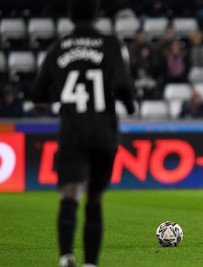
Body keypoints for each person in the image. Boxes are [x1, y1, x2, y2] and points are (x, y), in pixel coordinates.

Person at [30, 0, 136, 266]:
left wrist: (62, 92)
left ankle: (66, 256)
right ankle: (90, 262)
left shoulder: (58, 48)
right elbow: (123, 85)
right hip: (104, 133)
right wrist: (130, 104)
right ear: (98, 15)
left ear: (70, 17)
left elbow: (37, 94)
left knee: (69, 193)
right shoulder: (110, 44)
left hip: (72, 132)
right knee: (95, 198)